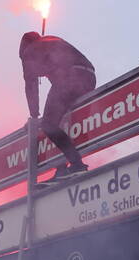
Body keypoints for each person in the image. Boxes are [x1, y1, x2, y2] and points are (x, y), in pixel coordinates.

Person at [19, 31, 96, 182]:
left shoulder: (29, 52)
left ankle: (76, 164)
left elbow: (31, 86)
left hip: (69, 78)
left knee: (48, 124)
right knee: (61, 124)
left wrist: (34, 117)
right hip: (89, 77)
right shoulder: (51, 41)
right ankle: (62, 168)